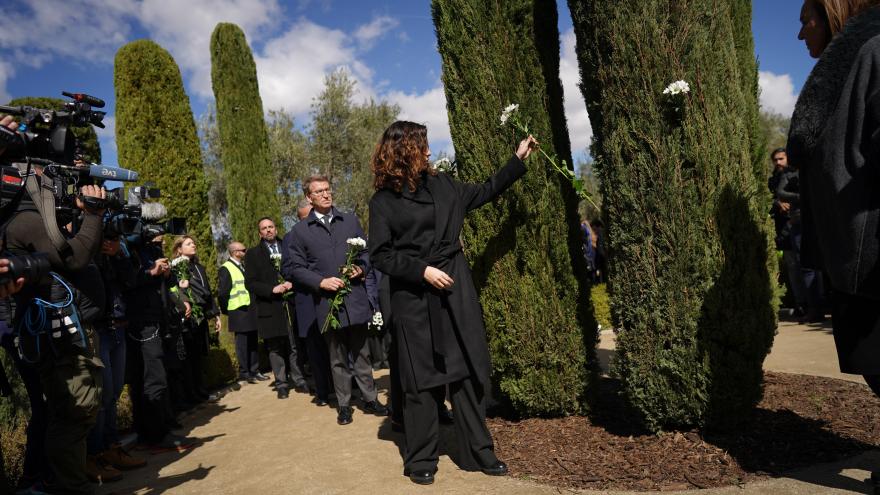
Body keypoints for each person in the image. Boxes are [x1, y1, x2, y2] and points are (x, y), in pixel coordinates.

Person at [368, 120, 536, 485]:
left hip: (454, 294)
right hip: (414, 300)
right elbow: (380, 255)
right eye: (422, 146)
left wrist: (516, 160)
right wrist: (421, 270)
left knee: (466, 376)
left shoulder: (444, 185)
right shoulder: (383, 201)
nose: (429, 151)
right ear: (403, 152)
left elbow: (486, 190)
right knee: (421, 384)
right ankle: (421, 458)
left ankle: (479, 452)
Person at [787, 0, 880, 489]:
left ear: (836, 13)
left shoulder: (875, 50)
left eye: (808, 19)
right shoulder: (843, 68)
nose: (802, 33)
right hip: (851, 258)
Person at [287, 175, 389, 425]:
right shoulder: (300, 231)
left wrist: (361, 269)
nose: (325, 194)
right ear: (309, 198)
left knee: (363, 353)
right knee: (337, 357)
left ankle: (370, 397)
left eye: (327, 190)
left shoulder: (350, 221)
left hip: (355, 299)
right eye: (319, 191)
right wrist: (320, 282)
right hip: (327, 304)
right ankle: (344, 404)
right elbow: (294, 268)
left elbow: (366, 252)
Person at [245, 217, 307, 399]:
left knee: (294, 344)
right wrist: (272, 289)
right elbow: (251, 283)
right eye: (264, 228)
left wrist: (291, 283)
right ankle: (281, 383)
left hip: (292, 304)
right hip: (269, 307)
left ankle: (300, 378)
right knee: (275, 347)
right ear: (260, 233)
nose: (268, 230)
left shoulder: (288, 247)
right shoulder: (253, 254)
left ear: (276, 229)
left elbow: (300, 268)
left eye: (271, 227)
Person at [283, 199, 334, 407]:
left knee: (338, 344)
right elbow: (286, 269)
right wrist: (310, 277)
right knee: (315, 347)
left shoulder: (328, 231)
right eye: (306, 217)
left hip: (331, 296)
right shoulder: (291, 236)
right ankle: (322, 391)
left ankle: (346, 386)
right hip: (306, 300)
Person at [171, 235, 222, 403]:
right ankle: (192, 395)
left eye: (193, 243)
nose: (193, 245)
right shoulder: (176, 267)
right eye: (188, 243)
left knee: (198, 356)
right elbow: (175, 291)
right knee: (188, 357)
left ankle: (201, 392)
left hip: (200, 317)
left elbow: (207, 292)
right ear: (179, 249)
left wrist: (215, 315)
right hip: (187, 318)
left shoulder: (198, 267)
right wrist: (184, 302)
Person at [218, 241, 264, 384]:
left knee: (252, 340)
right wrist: (227, 310)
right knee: (242, 343)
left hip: (249, 309)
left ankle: (255, 370)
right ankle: (245, 373)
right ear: (235, 252)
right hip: (238, 310)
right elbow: (223, 293)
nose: (246, 252)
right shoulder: (226, 268)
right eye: (243, 250)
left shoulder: (243, 266)